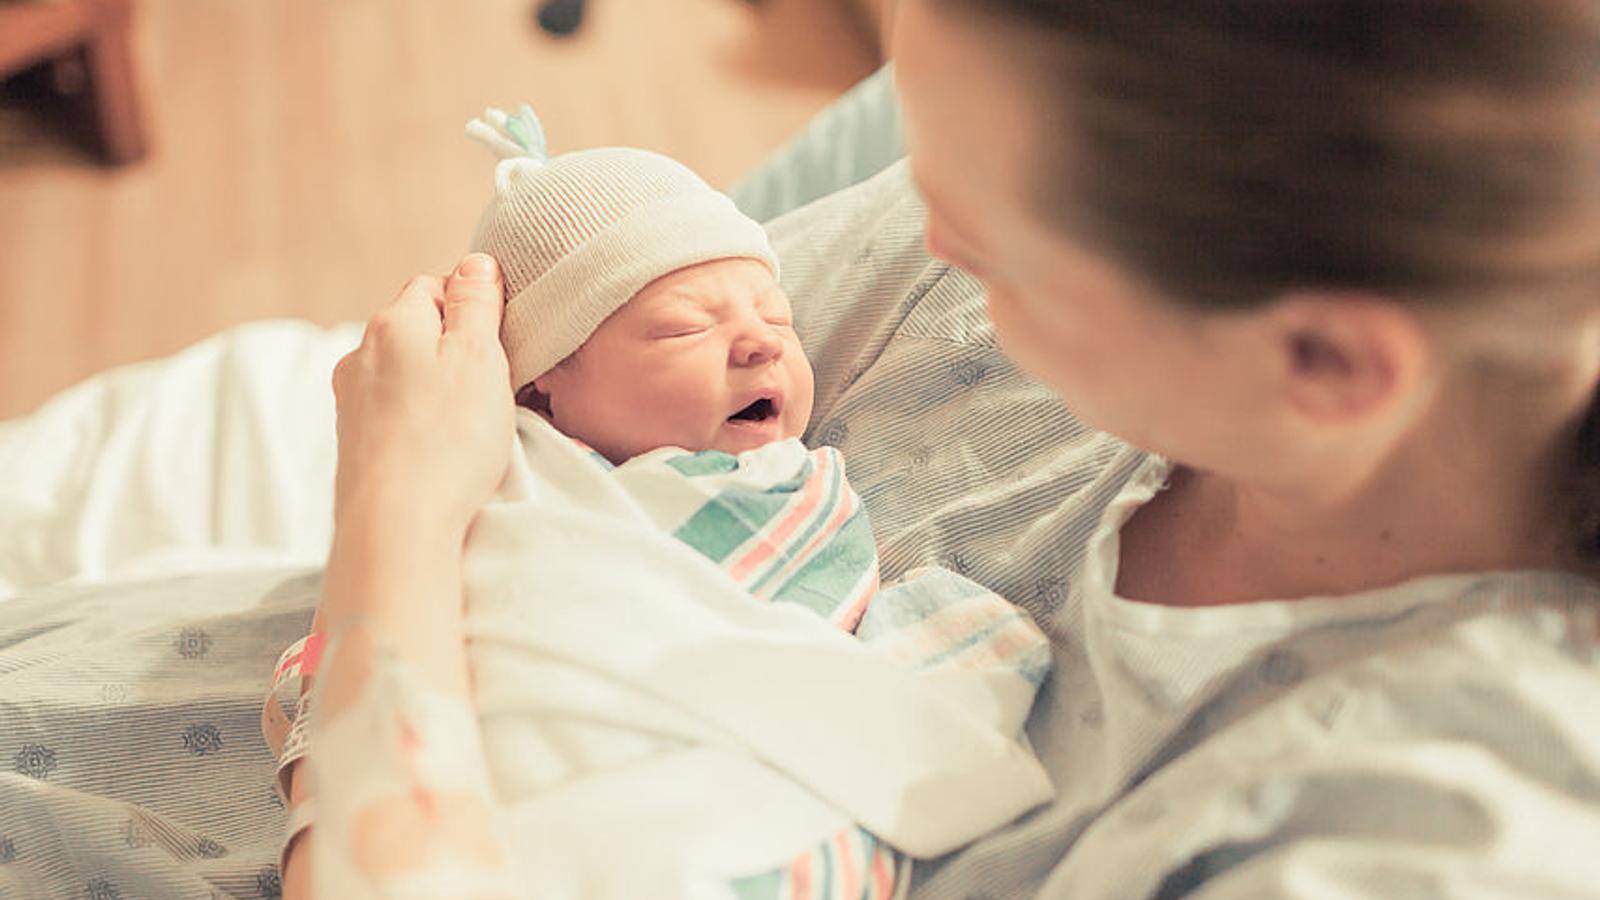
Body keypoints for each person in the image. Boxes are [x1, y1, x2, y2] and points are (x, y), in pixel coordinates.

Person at [291, 0, 1600, 896]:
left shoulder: (1402, 828)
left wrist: (396, 513)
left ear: (1321, 365)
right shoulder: (1029, 222)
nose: (929, 240)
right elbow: (569, 391)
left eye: (987, 236)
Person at [274, 107, 1051, 897]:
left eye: (778, 316)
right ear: (541, 394)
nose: (762, 342)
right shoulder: (518, 477)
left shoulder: (789, 491)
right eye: (683, 330)